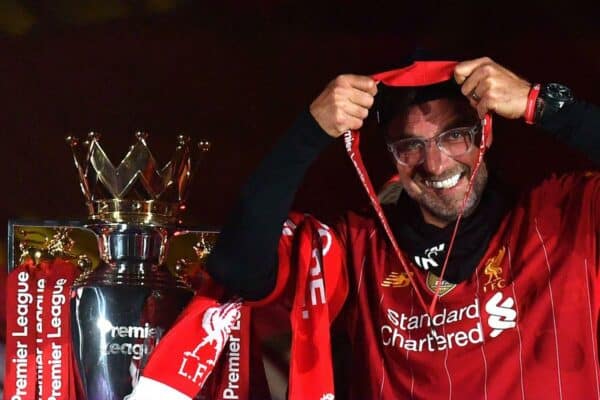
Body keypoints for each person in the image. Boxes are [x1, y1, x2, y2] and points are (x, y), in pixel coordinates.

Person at [206, 57, 600, 399]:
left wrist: (543, 105)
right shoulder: (361, 245)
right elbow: (239, 271)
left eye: (455, 136)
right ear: (391, 157)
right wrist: (308, 132)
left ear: (486, 134)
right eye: (411, 146)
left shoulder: (563, 217)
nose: (435, 164)